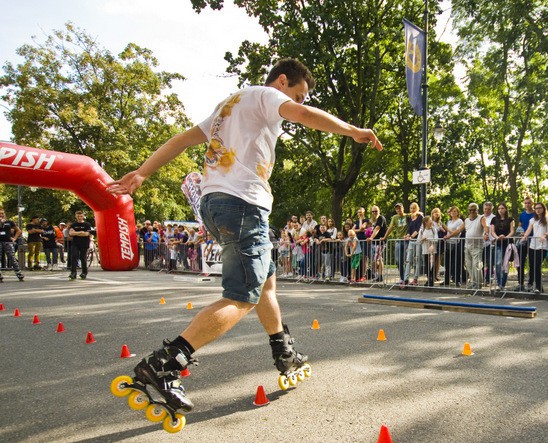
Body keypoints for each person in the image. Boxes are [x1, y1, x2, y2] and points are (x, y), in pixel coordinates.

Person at [107, 57, 382, 415]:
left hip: (217, 201)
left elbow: (182, 139)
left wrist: (143, 172)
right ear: (281, 82)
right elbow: (302, 115)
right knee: (242, 296)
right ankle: (165, 363)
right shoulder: (266, 96)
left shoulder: (229, 105)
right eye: (298, 94)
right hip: (242, 204)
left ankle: (284, 351)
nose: (297, 104)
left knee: (265, 281)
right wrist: (352, 131)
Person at [521, 202, 548, 294]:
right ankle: (533, 284)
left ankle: (538, 287)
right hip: (533, 245)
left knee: (537, 266)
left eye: (539, 208)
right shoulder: (532, 220)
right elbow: (528, 230)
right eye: (536, 208)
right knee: (532, 265)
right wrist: (525, 236)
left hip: (542, 245)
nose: (538, 210)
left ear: (543, 209)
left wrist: (545, 235)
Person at [490, 202, 515, 290]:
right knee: (498, 263)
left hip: (508, 243)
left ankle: (503, 284)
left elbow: (512, 231)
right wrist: (497, 237)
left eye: (502, 208)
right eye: (499, 208)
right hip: (498, 243)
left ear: (506, 209)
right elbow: (492, 231)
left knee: (505, 264)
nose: (500, 210)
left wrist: (505, 237)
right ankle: (499, 282)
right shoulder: (494, 219)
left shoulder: (510, 219)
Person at [516, 196, 536, 290]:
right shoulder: (522, 215)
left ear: (532, 204)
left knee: (532, 262)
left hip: (533, 241)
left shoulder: (536, 214)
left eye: (529, 203)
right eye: (526, 203)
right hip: (523, 241)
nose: (527, 205)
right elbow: (519, 227)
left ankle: (531, 282)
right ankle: (520, 283)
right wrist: (521, 233)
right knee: (520, 262)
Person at [442, 206, 465, 287]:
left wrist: (448, 231)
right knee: (447, 263)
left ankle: (457, 280)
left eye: (455, 211)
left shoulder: (459, 221)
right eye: (452, 211)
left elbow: (457, 232)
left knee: (456, 263)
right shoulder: (449, 221)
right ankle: (447, 280)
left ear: (458, 213)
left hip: (455, 243)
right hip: (448, 243)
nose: (453, 213)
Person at [0, 208, 24, 282]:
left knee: (12, 257)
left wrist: (14, 238)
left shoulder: (9, 222)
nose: (1, 215)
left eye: (2, 213)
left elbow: (18, 231)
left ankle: (19, 273)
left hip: (8, 242)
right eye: (0, 214)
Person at [386, 203, 408, 283]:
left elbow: (418, 214)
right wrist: (385, 237)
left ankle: (406, 278)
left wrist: (419, 212)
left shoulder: (408, 216)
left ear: (403, 208)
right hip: (398, 240)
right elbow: (390, 227)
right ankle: (402, 278)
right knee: (398, 260)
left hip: (406, 240)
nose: (398, 210)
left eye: (400, 208)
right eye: (397, 209)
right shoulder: (395, 217)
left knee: (406, 259)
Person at [403, 202, 424, 285]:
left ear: (417, 208)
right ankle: (405, 279)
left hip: (417, 240)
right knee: (408, 260)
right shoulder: (409, 218)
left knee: (417, 260)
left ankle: (415, 278)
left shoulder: (420, 217)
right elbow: (409, 229)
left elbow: (418, 229)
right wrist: (407, 235)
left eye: (414, 208)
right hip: (411, 241)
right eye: (411, 208)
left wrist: (411, 236)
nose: (412, 210)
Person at [463, 203, 483, 289]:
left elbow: (486, 226)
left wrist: (486, 233)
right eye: (470, 210)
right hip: (467, 245)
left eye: (473, 210)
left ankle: (478, 283)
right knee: (469, 265)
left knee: (476, 265)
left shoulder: (481, 218)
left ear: (477, 210)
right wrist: (448, 236)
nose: (472, 212)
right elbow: (459, 230)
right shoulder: (466, 220)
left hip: (477, 246)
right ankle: (473, 281)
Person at [68, 211, 93, 280]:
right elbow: (71, 233)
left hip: (84, 243)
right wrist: (80, 232)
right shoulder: (73, 224)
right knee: (74, 256)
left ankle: (84, 272)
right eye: (78, 216)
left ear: (83, 216)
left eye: (81, 216)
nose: (79, 218)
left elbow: (86, 234)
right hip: (75, 243)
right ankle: (73, 273)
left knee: (83, 258)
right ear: (76, 216)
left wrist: (76, 233)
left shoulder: (87, 224)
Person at [367, 205, 387, 282]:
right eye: (373, 211)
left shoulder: (381, 218)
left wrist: (371, 237)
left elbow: (377, 229)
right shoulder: (374, 220)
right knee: (379, 259)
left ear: (379, 211)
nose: (374, 212)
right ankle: (379, 275)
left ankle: (376, 274)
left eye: (376, 211)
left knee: (376, 259)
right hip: (375, 243)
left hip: (380, 242)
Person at [418, 215, 438, 286]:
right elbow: (418, 241)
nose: (431, 221)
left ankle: (431, 279)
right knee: (427, 265)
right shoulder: (422, 230)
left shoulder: (433, 229)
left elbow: (436, 239)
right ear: (426, 222)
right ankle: (429, 279)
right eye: (430, 220)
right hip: (425, 250)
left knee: (433, 265)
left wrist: (428, 239)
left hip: (433, 250)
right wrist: (422, 239)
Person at [480, 201, 495, 285]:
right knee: (480, 262)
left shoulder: (494, 218)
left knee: (490, 262)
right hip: (480, 243)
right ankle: (481, 279)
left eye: (489, 209)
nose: (487, 211)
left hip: (491, 243)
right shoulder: (480, 217)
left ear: (491, 209)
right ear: (483, 209)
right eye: (485, 209)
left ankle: (488, 279)